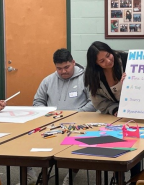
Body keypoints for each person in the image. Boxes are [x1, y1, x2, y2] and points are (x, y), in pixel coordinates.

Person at [26, 48, 95, 185]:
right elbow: (37, 102)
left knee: (78, 146)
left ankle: (71, 174)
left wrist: (75, 114)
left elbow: (93, 102)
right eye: (59, 68)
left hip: (79, 124)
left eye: (66, 67)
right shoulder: (48, 81)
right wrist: (48, 113)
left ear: (73, 62)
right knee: (27, 140)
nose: (63, 71)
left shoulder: (87, 78)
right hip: (52, 123)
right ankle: (32, 176)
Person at [84, 41, 140, 184]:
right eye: (102, 61)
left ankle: (135, 179)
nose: (108, 61)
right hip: (115, 118)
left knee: (136, 148)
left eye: (109, 55)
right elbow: (98, 101)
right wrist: (114, 109)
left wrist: (132, 84)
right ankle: (117, 178)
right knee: (115, 147)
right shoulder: (94, 75)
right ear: (96, 64)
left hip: (136, 113)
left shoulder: (128, 60)